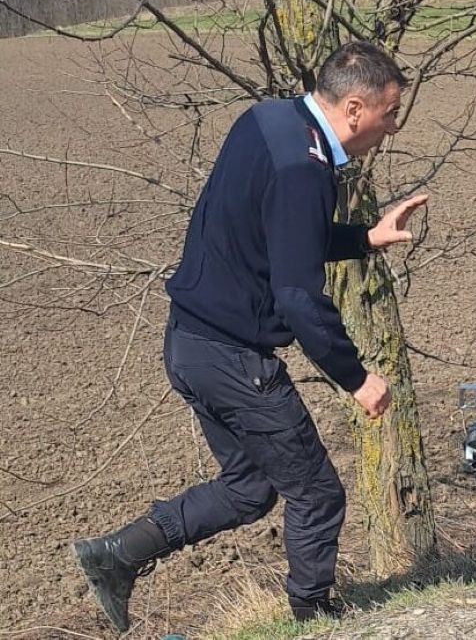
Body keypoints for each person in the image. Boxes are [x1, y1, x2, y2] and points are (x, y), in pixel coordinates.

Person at [72, 41, 428, 632]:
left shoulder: (269, 120)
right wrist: (356, 377)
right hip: (233, 357)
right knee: (318, 494)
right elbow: (296, 293)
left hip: (189, 342)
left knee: (250, 489)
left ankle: (114, 556)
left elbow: (280, 234)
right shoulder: (304, 170)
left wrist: (364, 237)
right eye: (391, 115)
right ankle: (314, 618)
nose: (392, 130)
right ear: (357, 110)